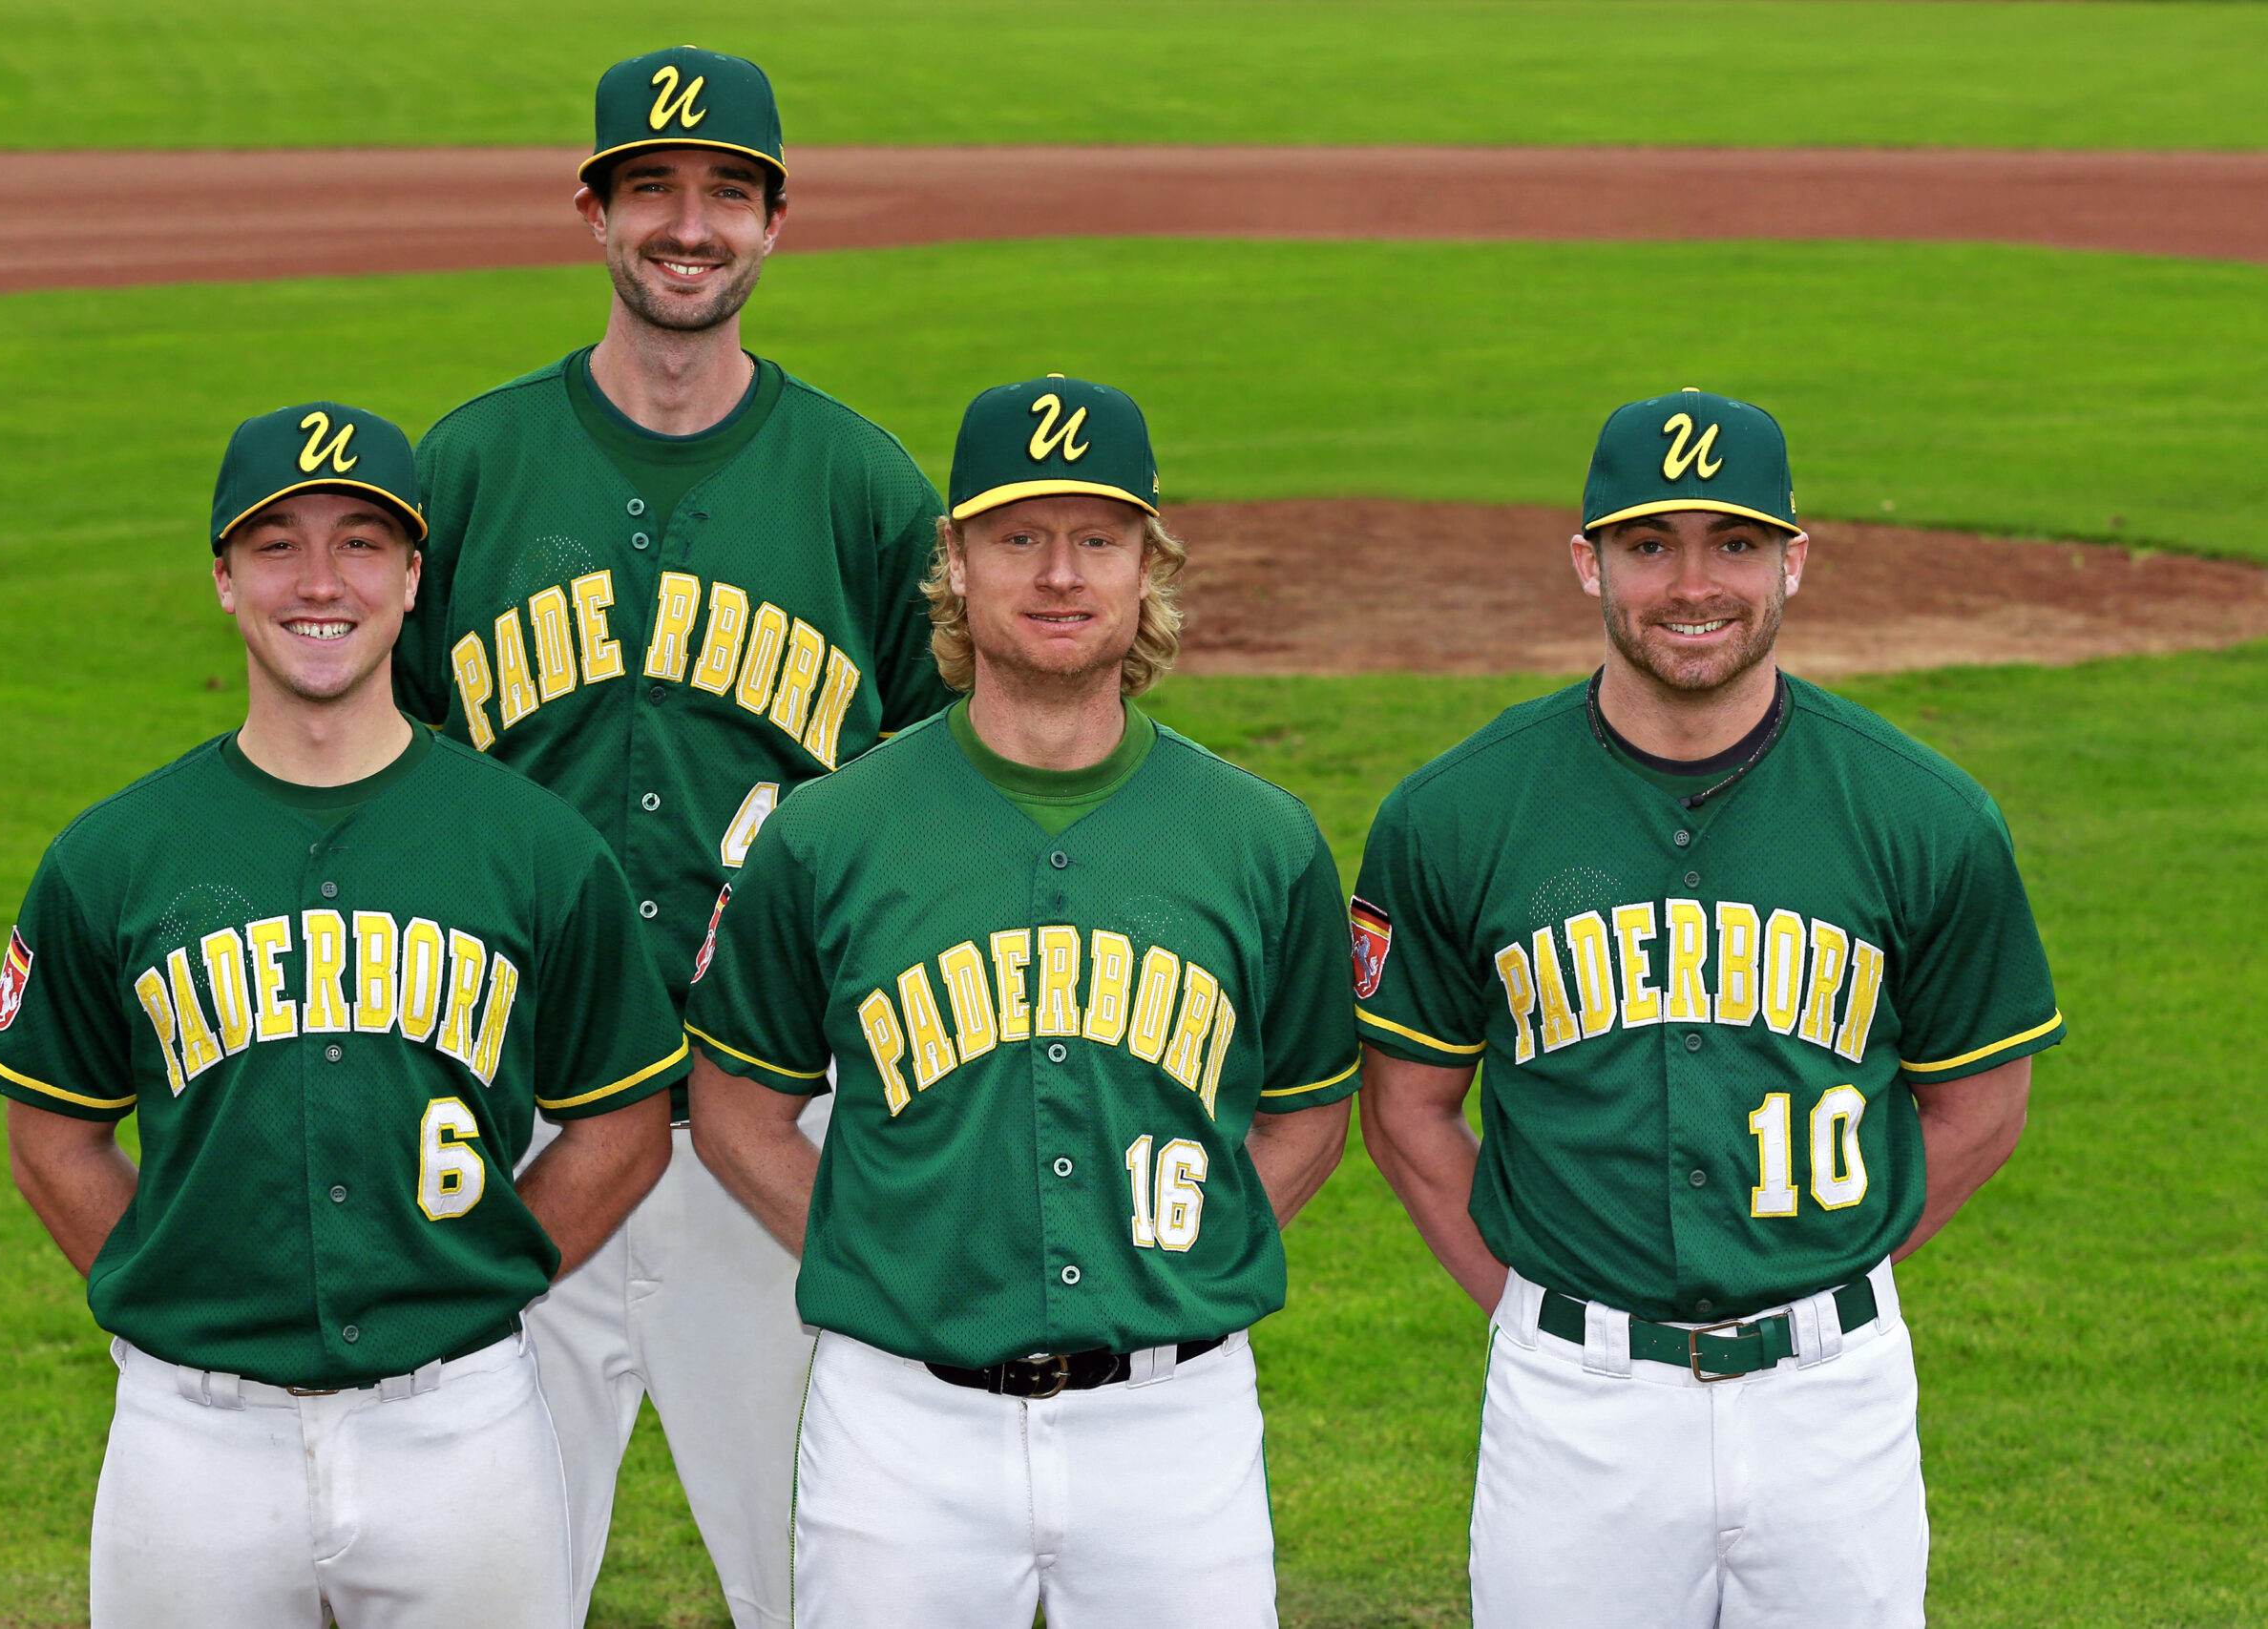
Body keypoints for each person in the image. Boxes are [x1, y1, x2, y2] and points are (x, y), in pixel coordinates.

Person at [389, 45, 955, 1629]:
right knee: (473, 1579)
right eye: (652, 188)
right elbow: (383, 772)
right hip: (514, 1121)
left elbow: (943, 797)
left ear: (775, 221)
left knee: (827, 1577)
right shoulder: (472, 468)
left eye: (726, 192)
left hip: (770, 1123)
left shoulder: (858, 485)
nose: (688, 224)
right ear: (594, 210)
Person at [0, 402, 689, 1629]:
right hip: (192, 1439)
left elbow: (622, 1128)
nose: (320, 583)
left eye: (361, 543)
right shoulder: (115, 855)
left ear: (412, 578)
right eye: (277, 546)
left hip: (461, 1426)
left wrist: (482, 1271)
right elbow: (51, 1135)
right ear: (223, 578)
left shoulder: (534, 847)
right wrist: (176, 1285)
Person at [1354, 388, 2066, 1627]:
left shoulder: (1924, 815)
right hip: (1573, 1411)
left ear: (1795, 559)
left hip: (1832, 1404)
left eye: (1734, 543)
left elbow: (1982, 1107)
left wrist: (1818, 1275)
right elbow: (1406, 1108)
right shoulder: (1454, 814)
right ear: (1588, 563)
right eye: (1649, 545)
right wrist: (1531, 1305)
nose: (1693, 585)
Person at [683, 376, 1360, 1627]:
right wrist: (877, 1253)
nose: (1059, 574)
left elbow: (1311, 1107)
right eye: (1017, 538)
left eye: (1097, 538)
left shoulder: (1260, 840)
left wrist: (1188, 1253)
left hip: (1174, 1427)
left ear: (1147, 563)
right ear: (954, 560)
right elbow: (733, 1107)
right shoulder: (829, 834)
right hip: (899, 1423)